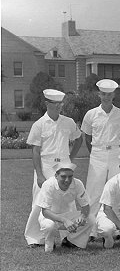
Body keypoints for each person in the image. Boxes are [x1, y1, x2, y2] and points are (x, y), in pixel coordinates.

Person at [25, 89, 83, 246]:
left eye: (60, 104)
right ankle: (35, 238)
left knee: (68, 200)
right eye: (54, 104)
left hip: (64, 164)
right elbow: (35, 151)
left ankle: (69, 238)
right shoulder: (39, 125)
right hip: (46, 165)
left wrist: (70, 158)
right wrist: (39, 174)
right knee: (39, 201)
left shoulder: (69, 122)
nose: (58, 107)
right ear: (46, 104)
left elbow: (79, 139)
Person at [81, 79, 120, 230]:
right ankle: (90, 229)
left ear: (114, 95)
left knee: (115, 189)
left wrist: (114, 149)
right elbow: (87, 137)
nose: (106, 97)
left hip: (115, 152)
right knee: (94, 191)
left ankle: (113, 226)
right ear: (99, 94)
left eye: (109, 94)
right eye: (103, 94)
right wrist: (96, 152)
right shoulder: (91, 114)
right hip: (97, 153)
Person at [35, 161, 95, 252]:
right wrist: (65, 220)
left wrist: (82, 216)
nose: (67, 180)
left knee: (90, 218)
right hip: (49, 217)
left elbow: (86, 205)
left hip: (67, 215)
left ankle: (71, 241)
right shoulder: (48, 185)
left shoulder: (77, 184)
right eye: (63, 176)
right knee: (49, 226)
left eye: (70, 176)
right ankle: (50, 242)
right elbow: (45, 212)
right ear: (56, 176)